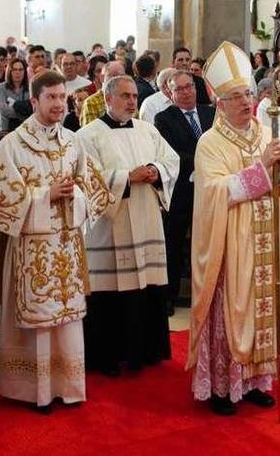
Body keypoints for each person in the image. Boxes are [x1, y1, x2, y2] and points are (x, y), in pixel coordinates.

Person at [187, 41, 280, 416]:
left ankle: (257, 380)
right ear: (220, 103)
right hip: (231, 244)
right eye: (236, 96)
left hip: (268, 240)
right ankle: (223, 386)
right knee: (232, 312)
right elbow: (213, 193)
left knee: (264, 308)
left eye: (248, 94)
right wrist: (260, 170)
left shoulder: (269, 133)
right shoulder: (210, 143)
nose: (244, 102)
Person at [0, 70, 113, 413]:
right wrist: (44, 196)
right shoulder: (12, 145)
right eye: (51, 98)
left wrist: (77, 197)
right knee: (38, 321)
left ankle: (67, 385)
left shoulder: (74, 142)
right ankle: (34, 390)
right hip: (30, 251)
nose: (59, 104)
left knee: (68, 319)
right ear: (34, 101)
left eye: (62, 97)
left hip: (67, 246)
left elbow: (95, 190)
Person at [77, 75, 179, 375]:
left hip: (146, 217)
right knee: (111, 291)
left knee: (147, 286)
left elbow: (170, 161)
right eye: (124, 96)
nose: (132, 101)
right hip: (110, 226)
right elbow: (87, 178)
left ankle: (147, 350)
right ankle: (109, 356)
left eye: (134, 96)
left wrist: (155, 170)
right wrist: (125, 177)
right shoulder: (87, 136)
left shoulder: (148, 130)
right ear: (107, 99)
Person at [154, 70, 216, 316]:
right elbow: (171, 153)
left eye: (189, 86)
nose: (187, 91)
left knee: (210, 242)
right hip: (181, 189)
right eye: (179, 89)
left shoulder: (210, 113)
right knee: (174, 243)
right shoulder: (164, 118)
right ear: (170, 93)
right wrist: (205, 162)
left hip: (211, 188)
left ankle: (210, 294)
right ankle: (168, 296)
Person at [82, 61, 127, 126]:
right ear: (102, 78)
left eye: (122, 76)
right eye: (114, 75)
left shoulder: (129, 99)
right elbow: (90, 133)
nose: (118, 79)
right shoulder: (91, 102)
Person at [0, 57, 30, 135]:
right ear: (9, 71)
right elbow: (3, 110)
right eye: (14, 69)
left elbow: (33, 110)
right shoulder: (1, 87)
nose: (18, 72)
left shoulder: (29, 88)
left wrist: (14, 106)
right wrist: (24, 112)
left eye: (21, 69)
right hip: (5, 130)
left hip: (25, 131)